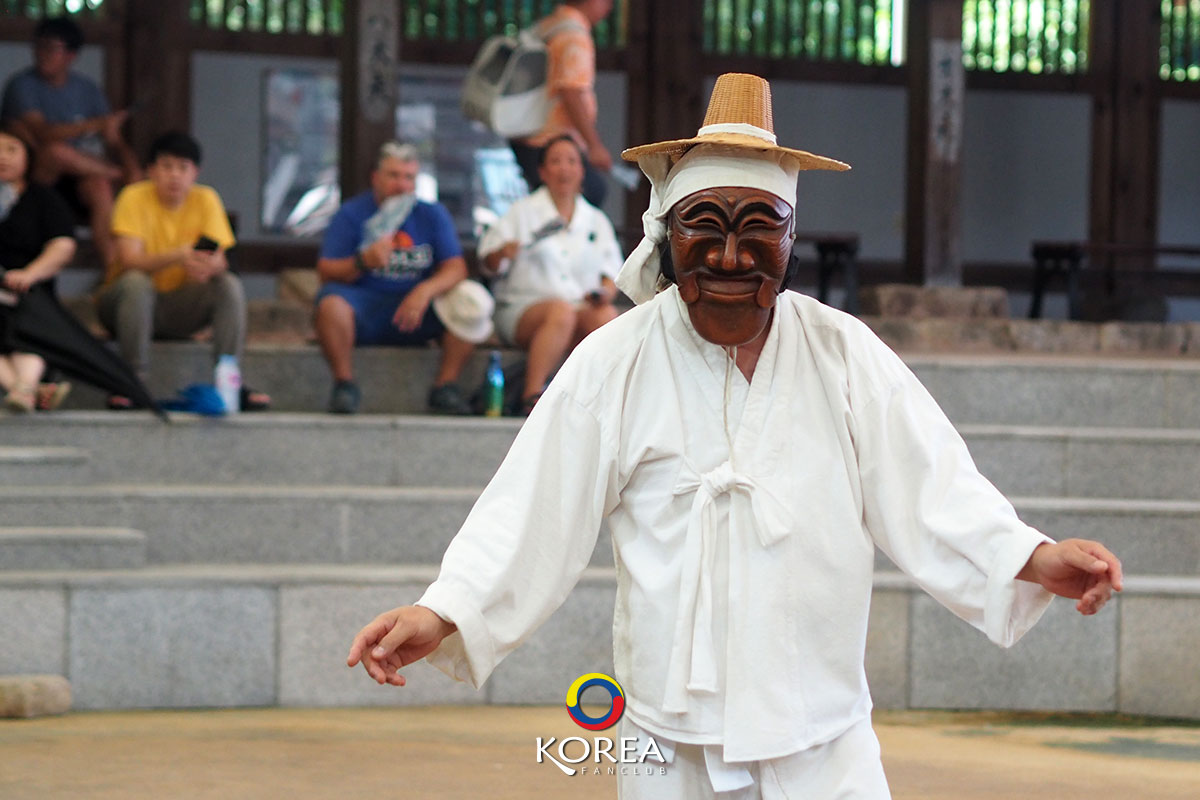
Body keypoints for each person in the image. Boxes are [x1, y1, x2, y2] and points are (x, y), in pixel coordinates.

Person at [347, 74, 1123, 798]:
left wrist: (1031, 557)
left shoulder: (841, 351)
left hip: (823, 736)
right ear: (666, 233)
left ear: (791, 237)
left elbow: (933, 488)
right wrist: (446, 610)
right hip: (664, 741)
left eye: (759, 229)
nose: (727, 257)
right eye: (703, 227)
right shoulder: (615, 360)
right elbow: (533, 508)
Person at [96, 131, 268, 411]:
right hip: (123, 306)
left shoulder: (207, 199)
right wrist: (179, 255)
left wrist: (207, 267)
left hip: (179, 307)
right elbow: (129, 260)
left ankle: (229, 380)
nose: (175, 176)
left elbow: (221, 259)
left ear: (195, 172)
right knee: (137, 283)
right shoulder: (133, 197)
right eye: (166, 167)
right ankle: (131, 380)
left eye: (183, 168)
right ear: (151, 170)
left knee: (228, 284)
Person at [315, 141, 483, 415]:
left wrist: (424, 291)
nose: (402, 185)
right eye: (393, 176)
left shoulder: (431, 214)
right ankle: (344, 384)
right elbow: (325, 272)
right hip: (366, 306)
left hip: (418, 309)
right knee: (330, 304)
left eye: (409, 178)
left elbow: (456, 268)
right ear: (376, 178)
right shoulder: (351, 214)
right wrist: (362, 261)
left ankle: (445, 386)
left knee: (473, 300)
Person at [478, 135, 622, 414]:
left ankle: (601, 403)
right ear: (542, 172)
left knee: (606, 316)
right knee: (561, 313)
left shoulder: (595, 219)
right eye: (556, 161)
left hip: (579, 306)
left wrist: (604, 294)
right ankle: (531, 396)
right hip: (524, 309)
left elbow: (611, 273)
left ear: (582, 171)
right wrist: (501, 254)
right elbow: (489, 265)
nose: (564, 169)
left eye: (572, 161)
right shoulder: (521, 213)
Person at [0, 17, 140, 270]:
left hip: (78, 178)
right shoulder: (22, 85)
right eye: (38, 46)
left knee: (100, 186)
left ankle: (113, 271)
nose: (42, 54)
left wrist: (112, 133)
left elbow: (111, 139)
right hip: (38, 178)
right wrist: (94, 125)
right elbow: (42, 134)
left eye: (51, 48)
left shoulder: (86, 89)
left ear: (70, 55)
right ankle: (118, 175)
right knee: (56, 152)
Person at [509, 0, 614, 209]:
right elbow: (571, 91)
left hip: (527, 133)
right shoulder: (574, 35)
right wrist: (594, 145)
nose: (609, 7)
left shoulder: (553, 24)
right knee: (587, 195)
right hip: (549, 138)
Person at [0, 126, 76, 412]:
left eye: (12, 149)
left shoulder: (44, 199)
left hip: (30, 294)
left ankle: (24, 388)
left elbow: (63, 246)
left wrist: (29, 274)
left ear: (28, 157)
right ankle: (28, 390)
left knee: (30, 331)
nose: (3, 157)